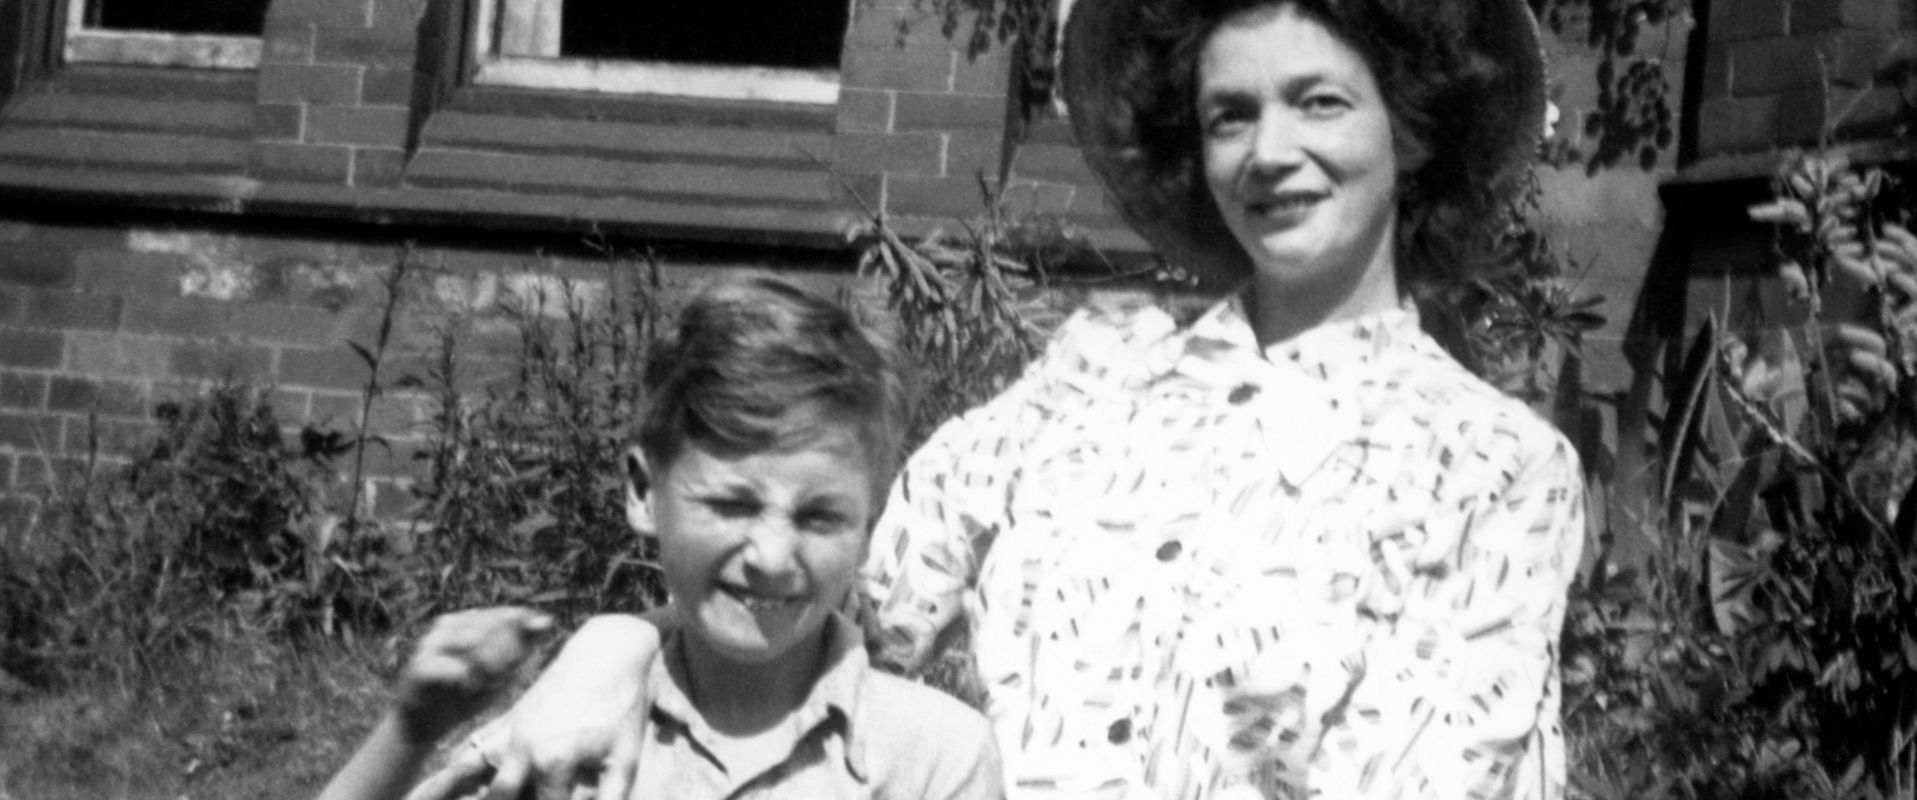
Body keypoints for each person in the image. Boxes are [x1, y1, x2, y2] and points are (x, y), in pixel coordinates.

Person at [451, 0, 1586, 797]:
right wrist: (611, 647)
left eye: (1319, 102)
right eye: (1229, 114)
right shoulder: (1084, 386)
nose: (1267, 151)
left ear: (1411, 124)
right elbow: (817, 599)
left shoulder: (1491, 468)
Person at [317, 276, 1005, 800]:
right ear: (644, 492)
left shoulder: (934, 759)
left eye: (820, 517)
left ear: (869, 523)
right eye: (731, 505)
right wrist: (411, 729)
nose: (771, 557)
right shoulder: (569, 727)